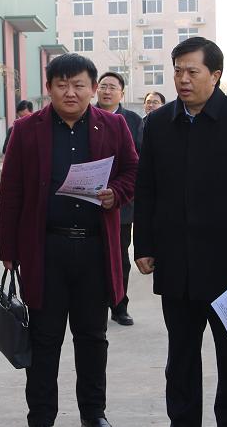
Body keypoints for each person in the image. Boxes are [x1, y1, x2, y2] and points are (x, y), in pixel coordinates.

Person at [133, 37, 227, 427]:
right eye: (177, 71)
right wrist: (144, 244)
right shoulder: (158, 123)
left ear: (216, 75)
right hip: (177, 265)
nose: (183, 79)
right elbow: (147, 187)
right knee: (181, 359)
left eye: (192, 71)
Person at [0, 53, 138, 427]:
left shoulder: (114, 125)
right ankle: (41, 416)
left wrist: (115, 193)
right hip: (46, 249)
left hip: (94, 248)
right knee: (44, 339)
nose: (70, 92)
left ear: (93, 88)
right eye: (62, 85)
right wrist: (9, 249)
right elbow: (11, 190)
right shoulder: (27, 129)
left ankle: (94, 414)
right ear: (49, 88)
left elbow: (132, 170)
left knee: (92, 337)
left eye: (79, 85)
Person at [95, 71, 142, 326]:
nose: (107, 91)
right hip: (90, 199)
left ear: (121, 93)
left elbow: (139, 162)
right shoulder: (85, 116)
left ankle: (119, 305)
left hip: (121, 202)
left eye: (112, 87)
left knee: (120, 256)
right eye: (103, 86)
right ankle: (94, 306)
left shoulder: (132, 121)